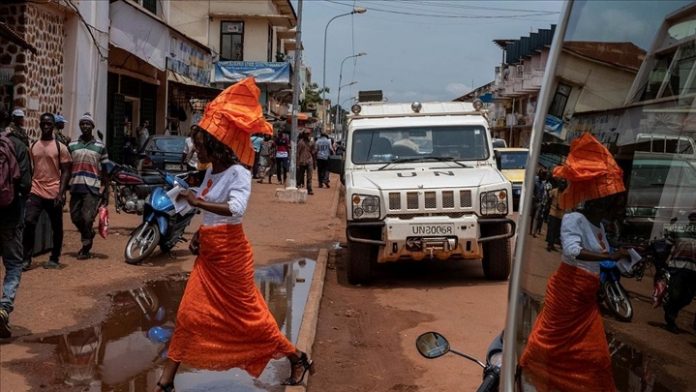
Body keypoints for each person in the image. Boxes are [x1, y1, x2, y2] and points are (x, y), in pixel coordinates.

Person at [154, 78, 314, 392]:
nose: (198, 151)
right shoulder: (212, 172)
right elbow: (210, 211)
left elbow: (236, 209)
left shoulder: (239, 173)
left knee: (251, 320)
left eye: (201, 146)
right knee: (188, 315)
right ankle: (165, 382)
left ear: (216, 144)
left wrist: (197, 200)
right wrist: (200, 230)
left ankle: (297, 357)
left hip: (231, 257)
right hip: (210, 255)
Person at [519, 133, 628, 392]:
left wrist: (624, 259)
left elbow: (604, 262)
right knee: (549, 345)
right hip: (567, 293)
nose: (607, 208)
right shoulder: (573, 220)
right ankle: (531, 377)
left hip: (586, 301)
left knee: (597, 357)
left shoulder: (599, 226)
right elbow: (572, 251)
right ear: (592, 199)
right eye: (604, 201)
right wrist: (609, 256)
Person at [22, 113, 72, 270]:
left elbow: (66, 171)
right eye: (43, 123)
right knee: (29, 222)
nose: (46, 126)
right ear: (39, 125)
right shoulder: (33, 146)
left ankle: (55, 258)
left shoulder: (60, 147)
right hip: (36, 190)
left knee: (56, 227)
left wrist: (61, 192)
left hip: (54, 192)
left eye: (49, 123)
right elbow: (31, 169)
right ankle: (26, 258)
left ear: (53, 125)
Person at [0, 118, 31, 338]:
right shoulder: (19, 147)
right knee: (13, 264)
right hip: (10, 216)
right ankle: (4, 307)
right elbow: (27, 185)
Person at [68, 113, 110, 260]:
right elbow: (66, 168)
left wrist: (106, 192)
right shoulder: (72, 145)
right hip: (75, 186)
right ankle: (88, 233)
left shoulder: (100, 147)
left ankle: (86, 246)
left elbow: (105, 171)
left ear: (92, 126)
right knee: (74, 217)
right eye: (82, 124)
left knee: (87, 218)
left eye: (88, 124)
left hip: (92, 188)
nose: (85, 126)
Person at [662, 210, 696, 333]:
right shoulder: (678, 230)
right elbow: (667, 247)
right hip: (677, 267)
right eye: (693, 218)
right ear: (690, 219)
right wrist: (662, 264)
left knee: (687, 298)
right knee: (675, 295)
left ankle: (670, 308)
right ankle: (670, 321)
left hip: (693, 271)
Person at [545, 178, 567, 252]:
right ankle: (549, 244)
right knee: (551, 229)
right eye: (561, 183)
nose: (562, 185)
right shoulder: (554, 191)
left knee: (557, 231)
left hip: (561, 215)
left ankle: (552, 244)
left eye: (563, 184)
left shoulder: (566, 194)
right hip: (553, 212)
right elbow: (549, 198)